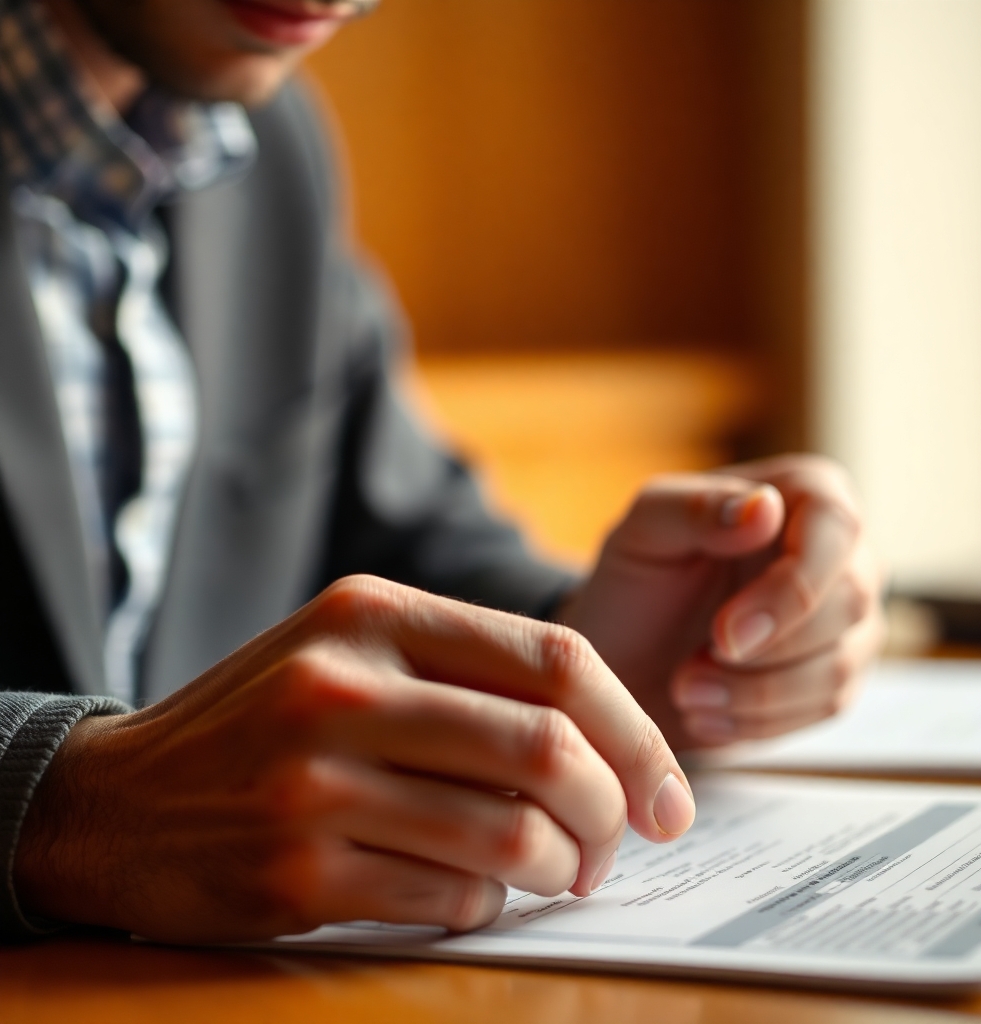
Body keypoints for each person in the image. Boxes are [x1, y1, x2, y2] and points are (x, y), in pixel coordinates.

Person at [0, 0, 884, 944]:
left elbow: (404, 531)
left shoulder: (266, 148)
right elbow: (119, 789)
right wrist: (66, 803)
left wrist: (608, 649)